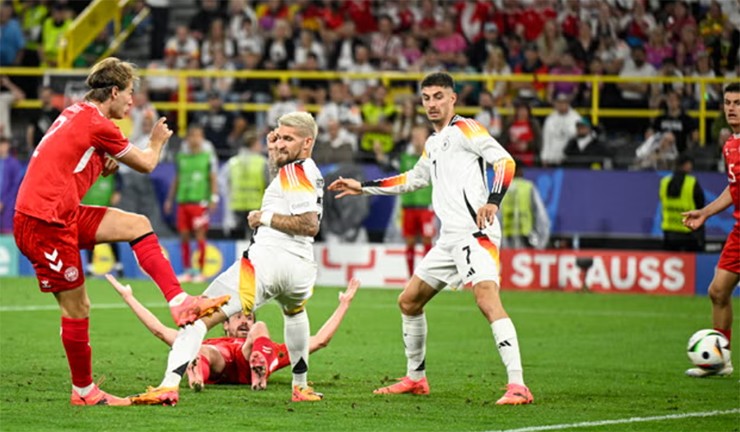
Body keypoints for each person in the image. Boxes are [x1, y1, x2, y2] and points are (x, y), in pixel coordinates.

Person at [11, 57, 229, 406]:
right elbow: (146, 163)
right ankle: (84, 392)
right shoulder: (98, 124)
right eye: (129, 93)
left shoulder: (76, 112)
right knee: (77, 308)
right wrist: (156, 141)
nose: (132, 101)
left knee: (137, 224)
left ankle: (179, 302)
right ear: (113, 92)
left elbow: (71, 159)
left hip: (60, 213)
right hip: (44, 223)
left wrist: (101, 161)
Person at [328, 72, 533, 405]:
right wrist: (362, 187)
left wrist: (493, 201)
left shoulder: (467, 129)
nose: (432, 104)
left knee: (486, 299)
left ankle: (518, 385)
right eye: (426, 98)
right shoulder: (434, 143)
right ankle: (416, 378)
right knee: (409, 301)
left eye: (438, 96)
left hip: (475, 233)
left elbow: (504, 161)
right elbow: (413, 179)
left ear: (453, 98)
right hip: (449, 239)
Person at [129, 111, 325, 405]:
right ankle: (301, 387)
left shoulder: (297, 173)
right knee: (295, 314)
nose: (281, 143)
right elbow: (284, 190)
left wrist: (263, 218)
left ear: (307, 142)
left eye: (289, 139)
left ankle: (168, 385)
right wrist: (274, 155)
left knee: (197, 315)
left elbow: (309, 224)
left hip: (266, 263)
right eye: (279, 137)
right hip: (300, 269)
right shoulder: (304, 170)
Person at [106, 274, 359, 391]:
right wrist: (129, 298)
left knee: (261, 329)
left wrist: (344, 304)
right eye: (239, 316)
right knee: (200, 348)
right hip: (220, 358)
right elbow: (161, 331)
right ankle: (197, 371)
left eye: (248, 317)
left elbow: (320, 340)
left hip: (252, 354)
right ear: (225, 324)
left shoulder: (269, 346)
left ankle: (256, 367)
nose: (245, 321)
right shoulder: (210, 340)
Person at [682, 82, 740, 378]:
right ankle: (720, 362)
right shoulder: (730, 145)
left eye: (737, 103)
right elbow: (733, 189)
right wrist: (705, 212)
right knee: (718, 291)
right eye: (728, 103)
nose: (731, 108)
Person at [375, 125, 435, 278]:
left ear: (427, 138)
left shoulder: (433, 158)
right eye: (414, 137)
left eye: (420, 136)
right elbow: (387, 167)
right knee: (410, 242)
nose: (417, 140)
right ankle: (410, 277)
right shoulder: (404, 158)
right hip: (408, 206)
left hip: (426, 206)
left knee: (427, 240)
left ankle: (427, 276)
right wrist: (380, 155)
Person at [165, 124, 219, 283]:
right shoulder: (182, 157)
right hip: (183, 201)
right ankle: (187, 271)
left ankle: (201, 271)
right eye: (193, 136)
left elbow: (213, 178)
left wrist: (214, 198)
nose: (195, 139)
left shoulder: (207, 156)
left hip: (199, 202)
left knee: (200, 235)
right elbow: (177, 178)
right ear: (188, 138)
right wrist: (169, 199)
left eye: (198, 136)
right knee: (184, 236)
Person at [219, 131, 269, 240]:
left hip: (237, 206)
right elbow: (269, 185)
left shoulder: (232, 162)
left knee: (237, 242)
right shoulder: (262, 162)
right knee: (254, 241)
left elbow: (222, 183)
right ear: (254, 144)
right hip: (256, 206)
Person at [81, 172, 124, 277]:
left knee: (111, 236)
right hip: (89, 207)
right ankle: (90, 267)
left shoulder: (111, 169)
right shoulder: (85, 169)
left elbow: (119, 179)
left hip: (106, 207)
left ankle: (118, 266)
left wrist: (117, 191)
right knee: (88, 236)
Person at [659, 154, 705, 252]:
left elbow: (662, 200)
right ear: (686, 165)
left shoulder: (664, 182)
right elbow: (700, 204)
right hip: (688, 232)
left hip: (669, 231)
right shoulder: (691, 182)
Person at [499, 163, 550, 250]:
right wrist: (541, 242)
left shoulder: (502, 189)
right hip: (526, 237)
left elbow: (497, 215)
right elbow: (541, 216)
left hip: (506, 238)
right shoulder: (528, 187)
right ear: (520, 171)